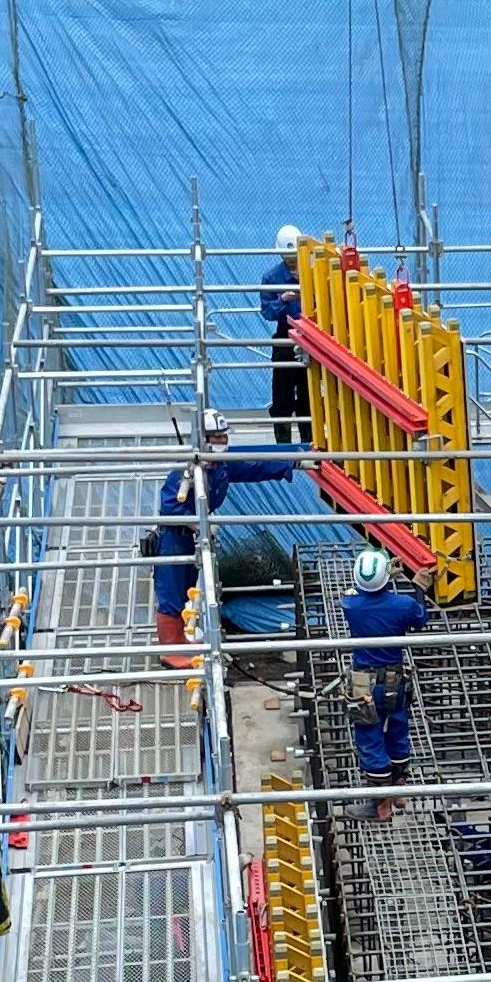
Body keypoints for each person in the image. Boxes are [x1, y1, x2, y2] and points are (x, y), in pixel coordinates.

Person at [148, 417, 300, 658]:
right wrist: (197, 525)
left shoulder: (220, 466)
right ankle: (170, 650)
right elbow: (171, 506)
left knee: (186, 584)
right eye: (216, 437)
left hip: (190, 535)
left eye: (224, 436)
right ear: (203, 439)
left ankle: (180, 641)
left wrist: (291, 464)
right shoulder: (185, 472)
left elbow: (253, 467)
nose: (222, 441)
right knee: (172, 589)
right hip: (174, 536)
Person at [342, 537, 431, 806]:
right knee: (398, 728)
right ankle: (399, 783)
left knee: (370, 735)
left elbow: (354, 593)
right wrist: (417, 588)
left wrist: (383, 576)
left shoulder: (350, 606)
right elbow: (420, 618)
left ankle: (380, 802)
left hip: (364, 683)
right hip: (396, 679)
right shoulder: (402, 605)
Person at [262, 224, 311, 447]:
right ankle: (283, 445)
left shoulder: (313, 273)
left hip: (311, 336)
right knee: (282, 393)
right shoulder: (272, 277)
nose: (292, 260)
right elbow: (267, 311)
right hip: (286, 336)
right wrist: (282, 300)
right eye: (288, 256)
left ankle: (309, 440)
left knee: (307, 392)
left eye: (294, 255)